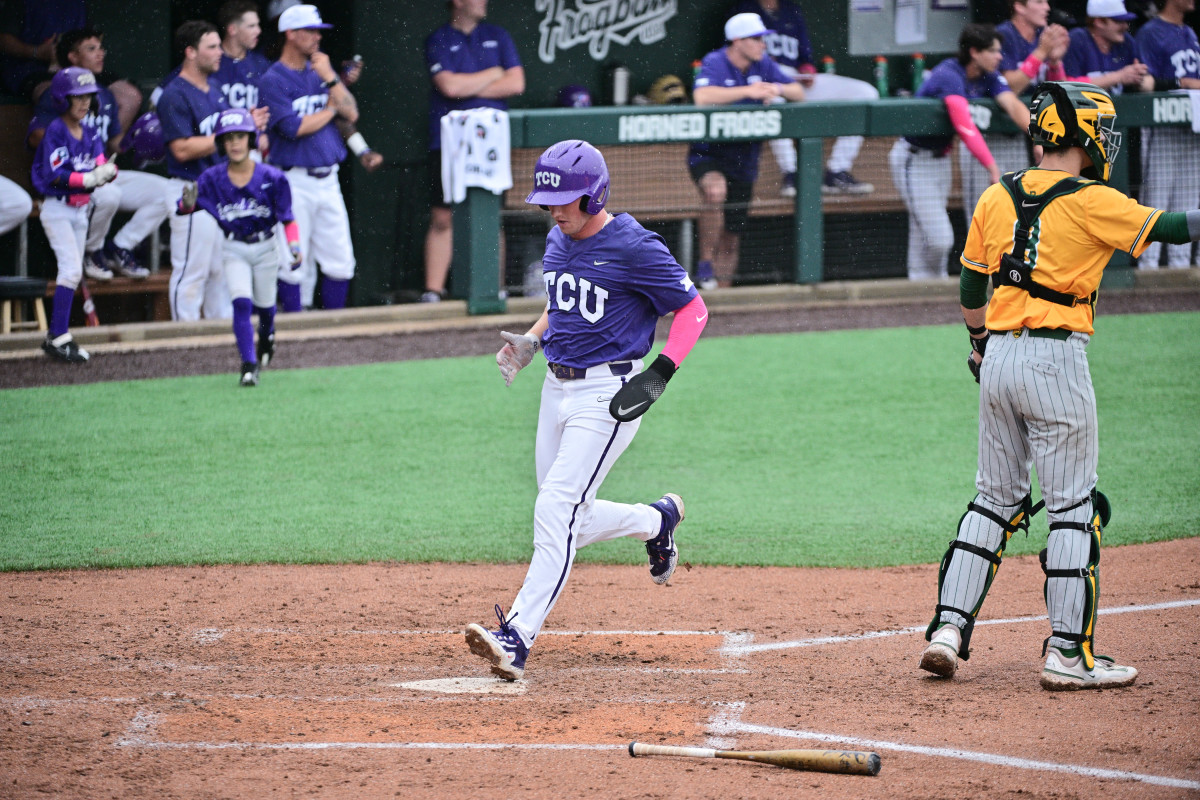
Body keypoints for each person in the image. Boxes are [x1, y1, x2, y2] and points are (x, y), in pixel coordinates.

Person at [920, 81, 1200, 690]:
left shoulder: (998, 194)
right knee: (1074, 507)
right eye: (1102, 130)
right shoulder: (1094, 198)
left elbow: (972, 287)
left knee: (994, 498)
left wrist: (977, 344)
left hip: (996, 358)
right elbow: (1176, 227)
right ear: (1083, 138)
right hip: (1055, 360)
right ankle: (1067, 655)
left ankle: (947, 629)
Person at [464, 139, 708, 681]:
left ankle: (517, 636)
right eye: (548, 201)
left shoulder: (636, 246)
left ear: (595, 198)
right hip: (556, 388)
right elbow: (562, 301)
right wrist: (530, 341)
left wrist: (660, 372)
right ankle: (656, 519)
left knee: (555, 507)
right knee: (569, 513)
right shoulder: (557, 236)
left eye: (566, 200)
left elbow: (693, 309)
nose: (554, 210)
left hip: (609, 395)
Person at [26, 28, 170, 282]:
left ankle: (121, 246)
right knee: (110, 194)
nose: (100, 53)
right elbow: (37, 135)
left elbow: (113, 144)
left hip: (99, 170)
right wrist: (71, 143)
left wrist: (135, 142)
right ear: (72, 57)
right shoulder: (58, 95)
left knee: (167, 193)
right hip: (71, 179)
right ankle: (93, 251)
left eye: (100, 48)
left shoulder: (105, 95)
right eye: (91, 49)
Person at [890, 24, 1030, 280]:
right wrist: (992, 166)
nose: (1000, 57)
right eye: (994, 51)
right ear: (975, 52)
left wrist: (1040, 137)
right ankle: (931, 284)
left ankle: (924, 289)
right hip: (914, 157)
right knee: (939, 238)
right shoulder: (948, 73)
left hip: (941, 159)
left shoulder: (989, 75)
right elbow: (965, 127)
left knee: (923, 233)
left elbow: (1011, 103)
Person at [178, 108, 301, 386]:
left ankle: (268, 336)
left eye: (240, 136)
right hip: (234, 247)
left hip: (266, 247)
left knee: (267, 308)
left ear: (251, 139)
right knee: (241, 302)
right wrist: (186, 203)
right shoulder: (211, 178)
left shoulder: (272, 177)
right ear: (221, 143)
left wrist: (294, 246)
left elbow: (288, 219)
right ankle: (248, 365)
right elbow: (185, 207)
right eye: (228, 138)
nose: (235, 143)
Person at [689, 12, 804, 289]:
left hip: (745, 159)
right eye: (756, 39)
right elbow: (702, 97)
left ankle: (723, 300)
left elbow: (798, 92)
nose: (762, 45)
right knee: (715, 192)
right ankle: (705, 263)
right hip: (710, 153)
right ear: (738, 41)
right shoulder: (715, 61)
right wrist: (748, 91)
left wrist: (774, 87)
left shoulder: (763, 64)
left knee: (732, 232)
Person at [259, 3, 361, 311]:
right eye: (310, 31)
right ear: (290, 34)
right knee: (293, 260)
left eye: (318, 31)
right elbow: (294, 128)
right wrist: (329, 109)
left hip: (327, 179)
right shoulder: (272, 78)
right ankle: (293, 331)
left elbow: (352, 111)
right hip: (293, 179)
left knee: (341, 260)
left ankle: (334, 330)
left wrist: (331, 78)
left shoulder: (320, 72)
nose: (317, 37)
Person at [421, 0, 524, 303]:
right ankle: (433, 292)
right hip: (449, 140)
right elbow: (449, 87)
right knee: (443, 216)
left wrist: (469, 87)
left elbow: (516, 82)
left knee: (490, 214)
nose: (484, 2)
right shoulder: (439, 38)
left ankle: (495, 288)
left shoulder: (498, 35)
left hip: (491, 140)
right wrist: (493, 73)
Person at [730, 0, 878, 196]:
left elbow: (805, 57)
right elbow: (732, 57)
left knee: (865, 93)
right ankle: (791, 174)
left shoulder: (791, 9)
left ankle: (837, 172)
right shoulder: (742, 10)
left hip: (795, 80)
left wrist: (807, 69)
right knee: (773, 97)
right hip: (763, 81)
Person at [31, 66, 119, 363]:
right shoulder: (56, 129)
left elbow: (99, 161)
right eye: (77, 97)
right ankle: (58, 336)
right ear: (62, 99)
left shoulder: (90, 129)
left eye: (87, 97)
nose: (83, 103)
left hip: (81, 210)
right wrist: (90, 178)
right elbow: (56, 175)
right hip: (57, 208)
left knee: (74, 271)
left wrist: (108, 171)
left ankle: (57, 335)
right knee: (70, 270)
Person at [959, 0, 1069, 219]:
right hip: (988, 135)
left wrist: (1055, 61)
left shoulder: (1043, 37)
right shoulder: (1001, 37)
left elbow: (1060, 90)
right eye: (1039, 1)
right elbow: (1009, 87)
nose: (1047, 7)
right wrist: (1040, 53)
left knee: (1016, 212)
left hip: (1018, 134)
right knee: (982, 216)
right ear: (1019, 6)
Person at [1135, 0, 1200, 269]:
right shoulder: (1151, 31)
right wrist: (1180, 83)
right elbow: (1145, 83)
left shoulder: (1189, 31)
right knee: (1156, 201)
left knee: (1189, 199)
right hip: (1162, 125)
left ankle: (1181, 267)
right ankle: (1148, 268)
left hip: (1192, 126)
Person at [1062, 0, 1153, 95]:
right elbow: (1068, 86)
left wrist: (1139, 80)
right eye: (1118, 21)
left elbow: (1148, 81)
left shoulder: (1126, 41)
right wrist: (1119, 77)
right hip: (1085, 109)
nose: (1125, 26)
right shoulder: (1077, 39)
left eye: (1125, 21)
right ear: (1099, 22)